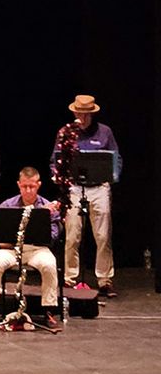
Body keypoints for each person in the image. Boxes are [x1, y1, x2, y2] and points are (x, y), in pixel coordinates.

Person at [52, 94, 122, 296]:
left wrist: (112, 177)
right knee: (72, 235)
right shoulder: (66, 132)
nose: (82, 117)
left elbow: (116, 158)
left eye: (86, 114)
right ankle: (70, 278)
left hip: (99, 187)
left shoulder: (104, 132)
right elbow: (54, 160)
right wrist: (57, 177)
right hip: (74, 188)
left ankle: (104, 279)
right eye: (79, 113)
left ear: (92, 114)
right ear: (74, 111)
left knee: (102, 235)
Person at [0, 167, 62, 329]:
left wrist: (42, 218)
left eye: (32, 186)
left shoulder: (48, 206)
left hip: (37, 249)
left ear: (39, 185)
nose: (28, 190)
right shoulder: (9, 204)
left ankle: (48, 311)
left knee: (49, 264)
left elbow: (55, 234)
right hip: (11, 249)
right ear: (18, 185)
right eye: (24, 187)